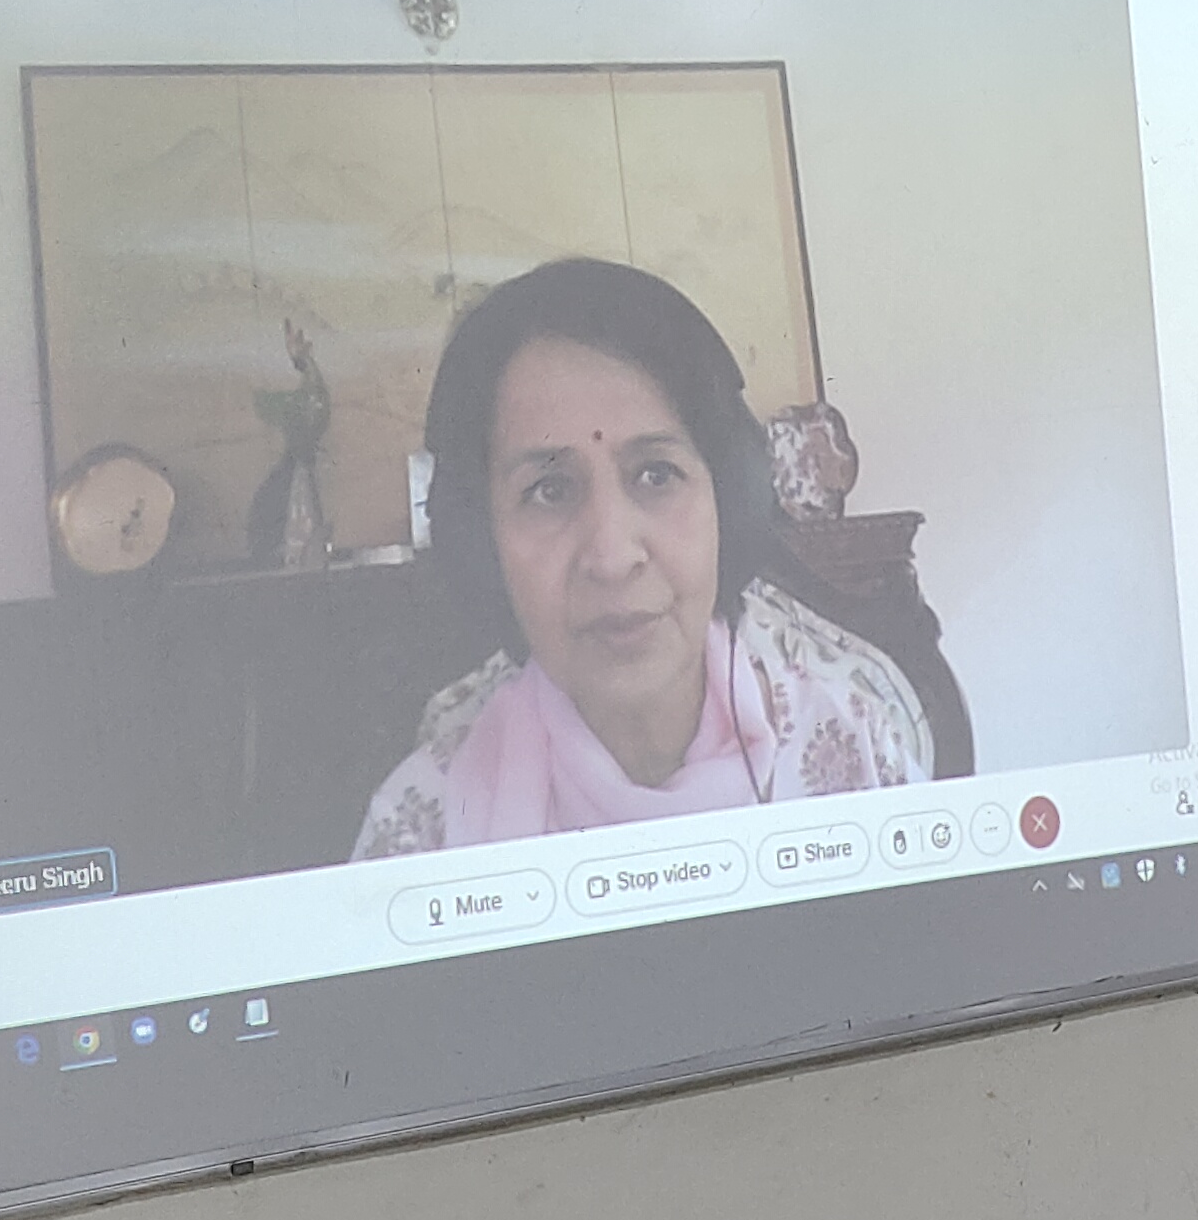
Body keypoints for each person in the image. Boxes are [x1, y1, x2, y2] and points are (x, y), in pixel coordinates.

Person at [356, 259, 940, 857]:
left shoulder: (859, 760)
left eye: (656, 475)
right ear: (482, 545)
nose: (612, 558)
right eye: (549, 491)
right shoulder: (420, 830)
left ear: (731, 503)